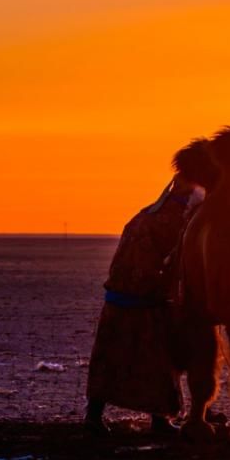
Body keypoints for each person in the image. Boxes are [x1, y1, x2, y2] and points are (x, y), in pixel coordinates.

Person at [84, 139, 218, 435]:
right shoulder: (179, 217)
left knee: (112, 355)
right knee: (158, 359)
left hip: (125, 295)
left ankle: (95, 416)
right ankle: (159, 418)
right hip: (145, 297)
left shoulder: (153, 214)